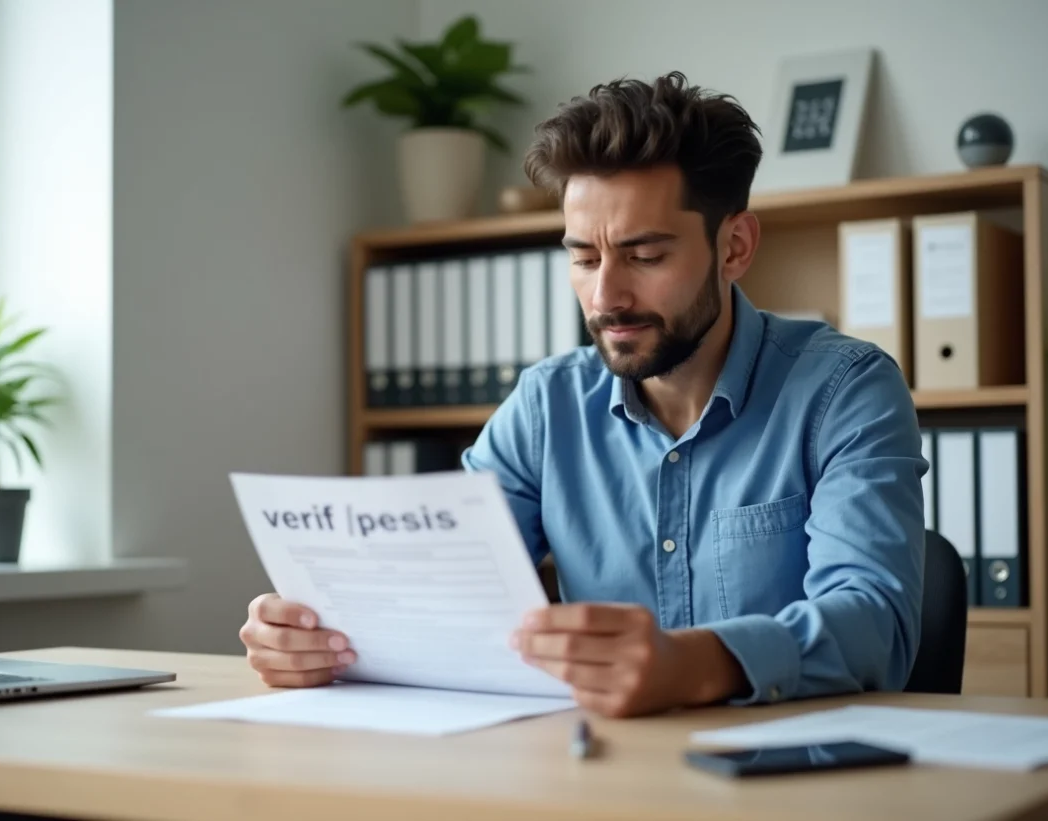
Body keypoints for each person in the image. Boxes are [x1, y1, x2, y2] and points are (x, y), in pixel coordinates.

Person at [239, 71, 927, 718]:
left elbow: (874, 621)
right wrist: (319, 637)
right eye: (584, 257)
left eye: (645, 255)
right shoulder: (546, 406)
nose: (606, 297)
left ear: (735, 246)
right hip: (593, 774)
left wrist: (687, 665)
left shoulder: (846, 389)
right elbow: (433, 588)